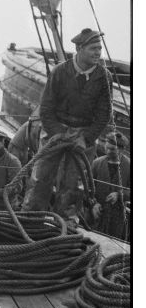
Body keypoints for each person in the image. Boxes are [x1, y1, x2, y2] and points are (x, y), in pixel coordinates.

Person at [21, 28, 113, 227]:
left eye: (100, 49)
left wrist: (86, 138)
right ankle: (29, 222)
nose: (98, 53)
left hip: (84, 134)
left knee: (74, 186)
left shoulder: (104, 77)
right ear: (79, 49)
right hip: (55, 131)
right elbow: (46, 108)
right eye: (93, 48)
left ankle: (66, 226)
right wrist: (57, 133)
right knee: (40, 178)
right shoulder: (60, 72)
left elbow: (104, 114)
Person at [91, 131, 130, 240]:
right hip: (96, 214)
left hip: (117, 219)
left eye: (112, 149)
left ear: (122, 150)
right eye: (106, 147)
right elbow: (88, 187)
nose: (108, 151)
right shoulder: (97, 163)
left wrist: (119, 194)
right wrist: (93, 203)